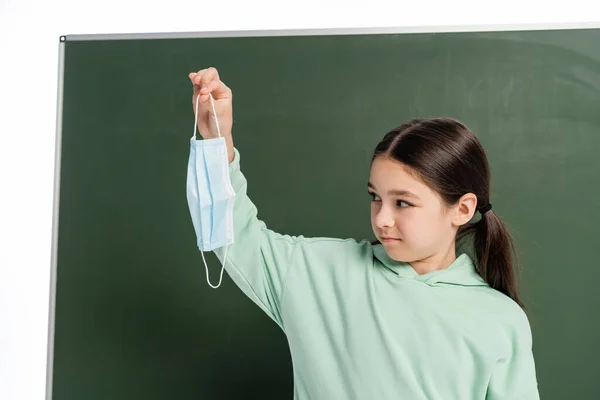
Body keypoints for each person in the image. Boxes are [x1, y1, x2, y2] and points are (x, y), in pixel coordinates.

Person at [187, 67, 540, 400]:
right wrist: (217, 142)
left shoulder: (500, 320)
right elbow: (230, 233)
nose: (383, 218)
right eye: (375, 197)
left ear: (461, 209)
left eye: (403, 203)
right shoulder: (318, 272)